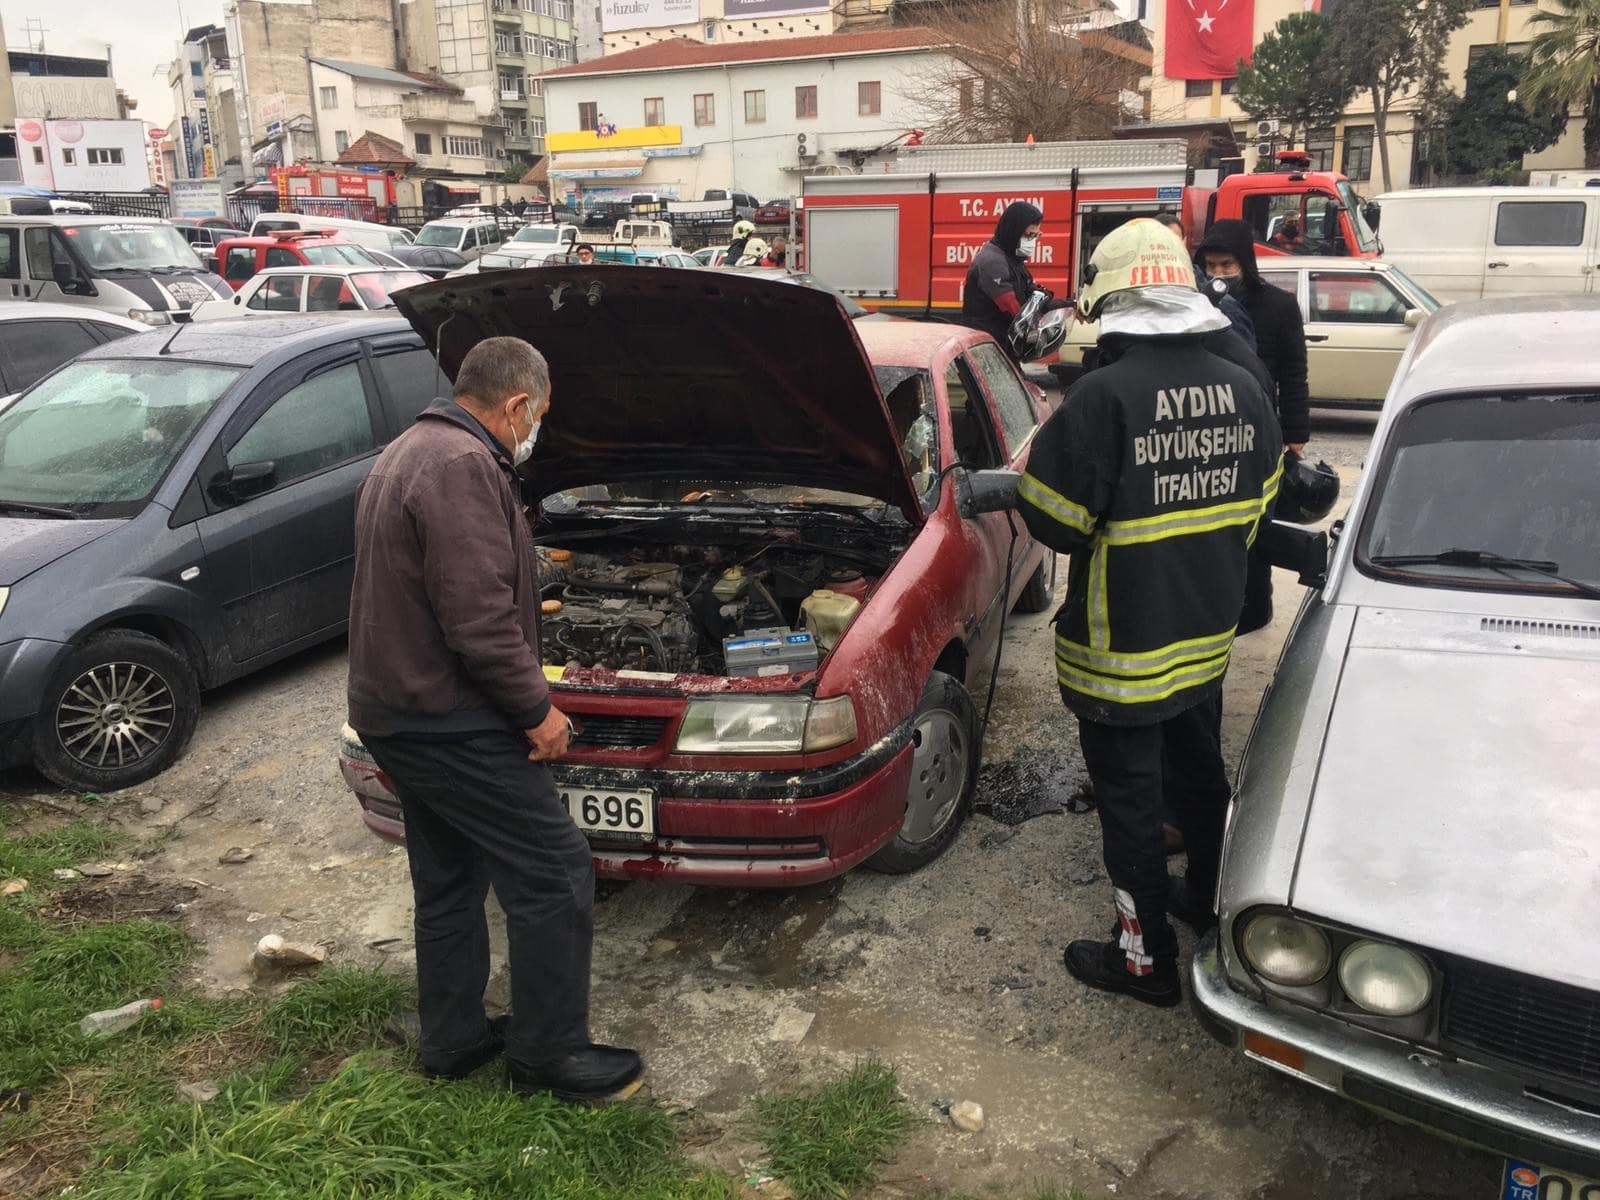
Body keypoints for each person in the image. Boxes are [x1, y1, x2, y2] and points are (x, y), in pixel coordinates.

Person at [346, 337, 642, 1102]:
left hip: (396, 710)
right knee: (554, 874)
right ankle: (548, 1059)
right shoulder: (461, 468)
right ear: (516, 405)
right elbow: (478, 622)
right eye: (538, 416)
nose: (535, 429)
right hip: (446, 720)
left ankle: (453, 1043)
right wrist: (538, 711)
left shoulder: (413, 450)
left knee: (448, 878)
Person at [1013, 219, 1282, 1007]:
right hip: (1204, 642)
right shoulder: (1244, 387)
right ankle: (1203, 896)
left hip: (1119, 651)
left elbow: (1055, 522)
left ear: (1110, 298)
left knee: (1131, 809)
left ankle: (1144, 961)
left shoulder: (1101, 398)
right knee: (1200, 779)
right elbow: (1258, 510)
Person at [1194, 219, 1311, 634]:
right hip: (1212, 430)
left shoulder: (1278, 306)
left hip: (1264, 431)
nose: (1219, 274)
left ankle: (1254, 607)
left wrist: (1294, 436)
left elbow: (1295, 374)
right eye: (1211, 265)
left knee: (1259, 526)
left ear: (1245, 261)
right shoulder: (1196, 303)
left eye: (1227, 265)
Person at [960, 201, 1066, 364]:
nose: (1032, 241)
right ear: (1013, 232)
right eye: (1029, 235)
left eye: (1036, 235)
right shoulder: (992, 263)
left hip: (1001, 353)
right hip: (987, 356)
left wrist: (1068, 306)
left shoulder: (1013, 261)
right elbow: (1016, 312)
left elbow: (1032, 299)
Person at [1155, 211, 1256, 353]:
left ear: (1184, 242)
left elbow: (1246, 362)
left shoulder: (1222, 305)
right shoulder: (1135, 299)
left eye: (1172, 242)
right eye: (1158, 243)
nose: (1164, 250)